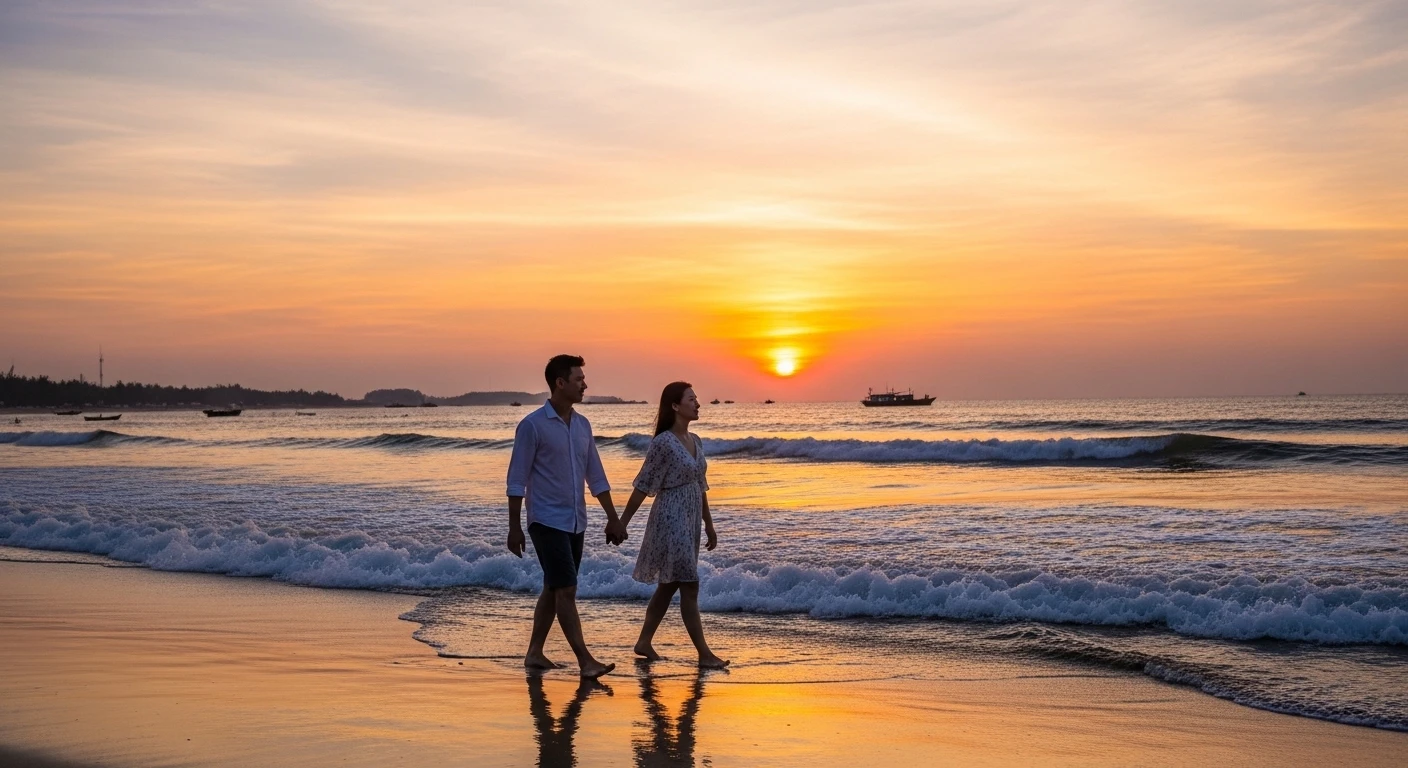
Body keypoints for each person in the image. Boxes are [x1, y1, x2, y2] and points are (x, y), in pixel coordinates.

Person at [506, 354, 624, 678]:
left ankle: (534, 653)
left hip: (576, 521)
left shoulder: (583, 425)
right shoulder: (531, 426)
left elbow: (596, 477)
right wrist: (514, 527)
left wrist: (613, 518)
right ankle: (586, 661)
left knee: (553, 588)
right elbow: (516, 480)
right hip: (545, 520)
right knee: (566, 589)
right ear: (560, 383)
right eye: (578, 379)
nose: (585, 384)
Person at [615, 382, 729, 669]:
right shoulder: (663, 443)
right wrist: (622, 522)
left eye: (697, 398)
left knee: (668, 586)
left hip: (690, 520)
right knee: (689, 585)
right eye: (692, 399)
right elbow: (643, 484)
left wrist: (709, 525)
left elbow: (700, 485)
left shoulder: (696, 440)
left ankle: (643, 642)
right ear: (676, 406)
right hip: (670, 518)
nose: (698, 403)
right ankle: (704, 654)